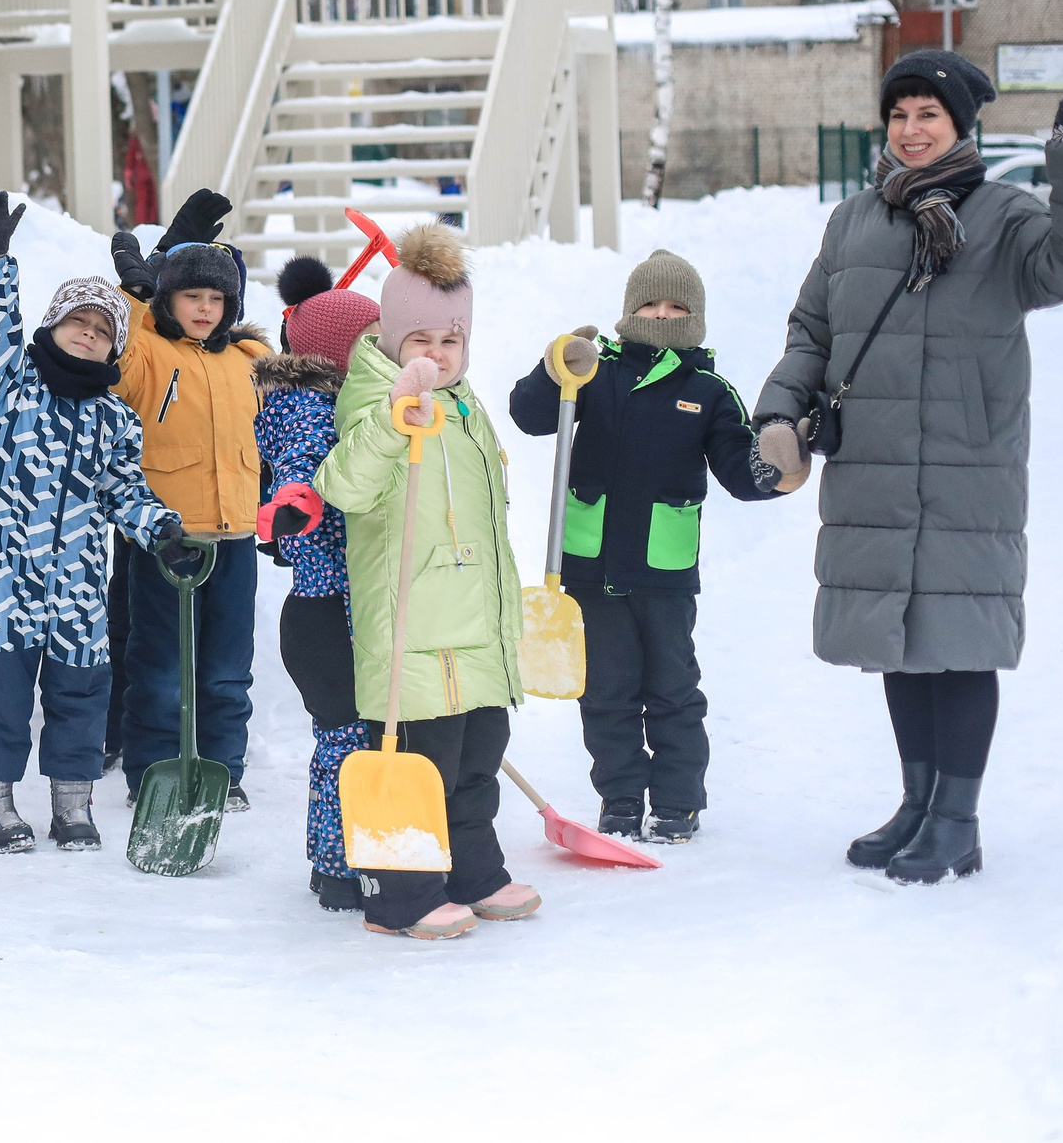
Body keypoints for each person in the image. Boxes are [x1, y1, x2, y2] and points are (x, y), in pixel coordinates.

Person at [756, 53, 1063, 883]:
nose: (911, 131)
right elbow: (813, 330)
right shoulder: (853, 221)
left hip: (966, 463)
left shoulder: (1004, 217)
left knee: (958, 642)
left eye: (929, 115)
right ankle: (917, 803)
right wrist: (780, 410)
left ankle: (957, 819)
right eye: (900, 115)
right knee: (898, 643)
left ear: (961, 125)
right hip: (877, 462)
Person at [506, 250, 781, 844]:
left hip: (663, 573)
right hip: (591, 563)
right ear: (630, 310)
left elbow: (741, 470)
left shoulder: (708, 390)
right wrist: (554, 368)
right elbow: (530, 416)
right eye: (650, 304)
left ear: (696, 316)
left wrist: (776, 466)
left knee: (672, 691)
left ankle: (679, 801)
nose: (662, 316)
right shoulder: (594, 370)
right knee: (606, 692)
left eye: (676, 306)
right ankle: (623, 798)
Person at [315, 224, 533, 940]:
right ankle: (402, 895)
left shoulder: (466, 403)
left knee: (476, 763)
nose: (437, 355)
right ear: (392, 340)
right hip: (416, 632)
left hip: (473, 624)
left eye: (451, 340)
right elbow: (343, 485)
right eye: (421, 341)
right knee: (420, 768)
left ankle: (473, 871)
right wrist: (389, 420)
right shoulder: (372, 397)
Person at [0, 189, 182, 854]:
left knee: (80, 696)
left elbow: (123, 490)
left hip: (79, 585)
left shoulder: (113, 416)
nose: (88, 330)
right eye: (77, 320)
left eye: (102, 327)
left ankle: (72, 805)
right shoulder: (11, 384)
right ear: (52, 325)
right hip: (4, 582)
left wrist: (161, 528)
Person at [107, 188, 272, 808]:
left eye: (216, 298)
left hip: (235, 534)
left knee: (228, 667)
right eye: (191, 296)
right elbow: (116, 345)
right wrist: (135, 290)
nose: (204, 309)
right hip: (168, 538)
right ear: (168, 299)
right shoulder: (150, 353)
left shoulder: (251, 360)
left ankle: (224, 768)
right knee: (159, 667)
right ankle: (152, 769)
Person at [254, 256, 382, 911]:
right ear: (335, 353)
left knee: (364, 734)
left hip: (355, 604)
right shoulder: (305, 406)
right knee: (344, 737)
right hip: (325, 609)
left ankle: (359, 852)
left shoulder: (359, 404)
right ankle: (337, 866)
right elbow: (297, 466)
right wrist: (295, 501)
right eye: (371, 342)